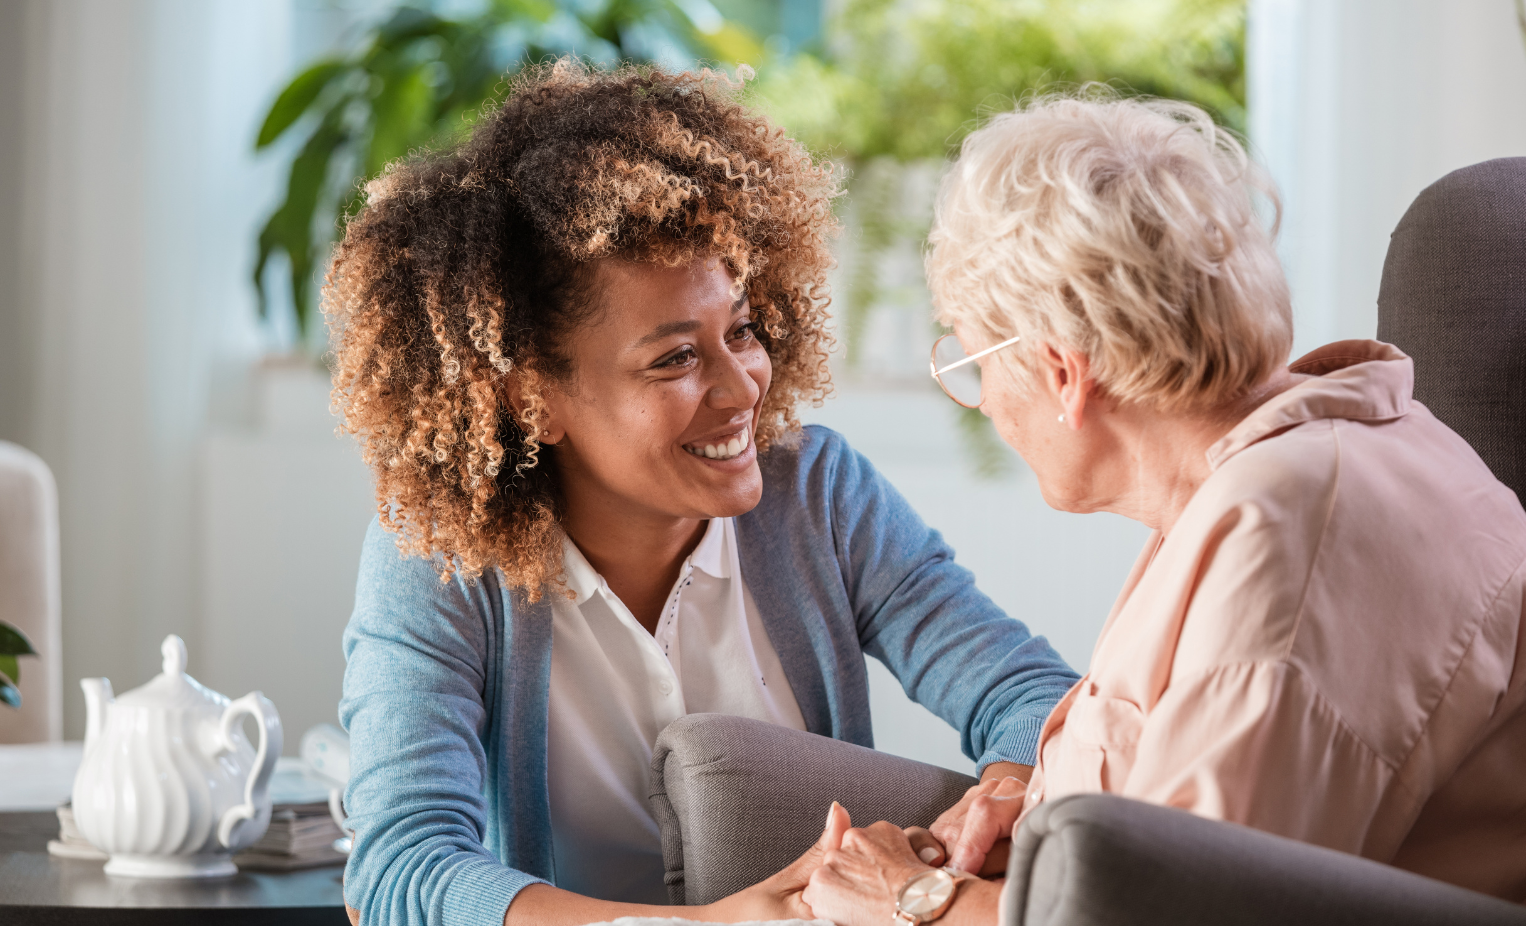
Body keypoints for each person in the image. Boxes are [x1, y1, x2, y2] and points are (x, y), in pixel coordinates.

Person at [327, 60, 1079, 926]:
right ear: (534, 398)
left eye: (743, 330)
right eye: (676, 358)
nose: (743, 387)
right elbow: (400, 868)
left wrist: (1001, 795)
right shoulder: (441, 558)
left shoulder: (820, 496)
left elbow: (1033, 697)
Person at [801, 91, 1526, 926]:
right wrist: (1045, 829)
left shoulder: (1290, 535)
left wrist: (916, 900)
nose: (986, 405)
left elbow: (1189, 913)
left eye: (974, 361)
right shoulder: (1271, 477)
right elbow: (1174, 821)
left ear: (1062, 370)